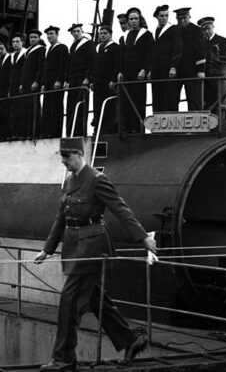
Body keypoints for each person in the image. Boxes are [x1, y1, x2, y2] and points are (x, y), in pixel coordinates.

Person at [34, 137, 158, 371]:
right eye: (61, 157)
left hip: (92, 247)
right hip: (74, 247)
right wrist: (47, 249)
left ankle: (64, 358)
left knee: (69, 301)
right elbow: (61, 218)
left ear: (80, 155)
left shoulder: (97, 180)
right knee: (94, 298)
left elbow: (120, 208)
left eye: (67, 157)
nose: (63, 161)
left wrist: (143, 238)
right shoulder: (70, 181)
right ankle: (132, 339)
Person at [117, 8, 153, 133]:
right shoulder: (124, 37)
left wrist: (144, 69)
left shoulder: (146, 34)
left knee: (138, 99)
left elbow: (149, 53)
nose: (133, 21)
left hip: (139, 72)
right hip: (127, 72)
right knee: (126, 100)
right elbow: (121, 55)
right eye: (131, 19)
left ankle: (137, 127)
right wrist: (120, 71)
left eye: (135, 19)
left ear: (140, 19)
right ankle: (126, 127)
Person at [149, 5, 182, 112]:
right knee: (157, 96)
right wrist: (150, 69)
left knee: (170, 97)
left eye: (166, 15)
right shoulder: (154, 32)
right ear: (157, 17)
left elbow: (178, 49)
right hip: (157, 70)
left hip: (168, 68)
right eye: (161, 16)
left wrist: (174, 66)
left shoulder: (173, 29)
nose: (164, 18)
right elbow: (152, 53)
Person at [64, 23, 95, 137]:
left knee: (82, 105)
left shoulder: (88, 44)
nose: (76, 33)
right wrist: (66, 80)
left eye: (78, 31)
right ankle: (70, 131)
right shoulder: (72, 46)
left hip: (82, 79)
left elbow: (91, 61)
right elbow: (69, 64)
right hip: (73, 80)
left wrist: (88, 77)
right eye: (74, 32)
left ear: (82, 31)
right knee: (71, 105)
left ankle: (80, 131)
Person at [174, 8, 206, 111]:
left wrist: (201, 70)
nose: (182, 21)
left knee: (194, 100)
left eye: (184, 18)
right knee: (173, 99)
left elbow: (200, 51)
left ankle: (195, 125)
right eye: (180, 18)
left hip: (192, 71)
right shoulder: (174, 30)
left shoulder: (196, 30)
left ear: (189, 17)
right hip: (177, 71)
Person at [197, 17, 226, 114]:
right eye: (204, 29)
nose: (207, 31)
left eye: (208, 28)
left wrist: (224, 77)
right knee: (205, 106)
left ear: (213, 27)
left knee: (220, 106)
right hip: (205, 80)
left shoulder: (222, 41)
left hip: (218, 80)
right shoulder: (201, 43)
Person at [91, 25, 120, 134]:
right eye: (101, 33)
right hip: (98, 82)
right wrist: (92, 80)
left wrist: (113, 80)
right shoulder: (97, 48)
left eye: (105, 33)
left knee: (109, 106)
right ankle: (98, 128)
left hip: (108, 82)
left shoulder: (115, 48)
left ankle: (109, 128)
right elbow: (93, 65)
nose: (102, 35)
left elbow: (116, 65)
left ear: (110, 34)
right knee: (97, 106)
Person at [41, 26, 69, 138]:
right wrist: (43, 83)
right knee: (47, 107)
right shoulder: (48, 49)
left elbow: (63, 65)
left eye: (51, 34)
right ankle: (47, 131)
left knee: (56, 107)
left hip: (56, 82)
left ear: (57, 34)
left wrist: (59, 80)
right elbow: (45, 68)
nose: (49, 36)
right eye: (48, 34)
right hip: (48, 83)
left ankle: (55, 132)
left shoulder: (62, 47)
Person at [20, 29, 45, 138]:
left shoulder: (41, 49)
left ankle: (35, 132)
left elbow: (41, 66)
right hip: (25, 82)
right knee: (26, 107)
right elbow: (24, 69)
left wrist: (36, 81)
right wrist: (21, 83)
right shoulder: (28, 50)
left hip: (33, 82)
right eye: (31, 37)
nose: (33, 39)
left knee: (34, 106)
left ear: (39, 38)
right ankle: (27, 131)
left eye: (35, 37)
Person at [8, 34, 27, 139]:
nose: (15, 44)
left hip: (21, 85)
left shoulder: (25, 53)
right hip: (13, 86)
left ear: (22, 42)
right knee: (14, 109)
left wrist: (22, 83)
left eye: (17, 42)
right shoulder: (12, 55)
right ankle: (14, 132)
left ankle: (21, 133)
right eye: (13, 42)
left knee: (22, 109)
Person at [0, 40, 12, 140]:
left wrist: (9, 89)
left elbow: (11, 74)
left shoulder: (10, 58)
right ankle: (0, 134)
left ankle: (7, 133)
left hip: (6, 87)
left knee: (7, 111)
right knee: (0, 112)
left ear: (5, 48)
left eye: (1, 49)